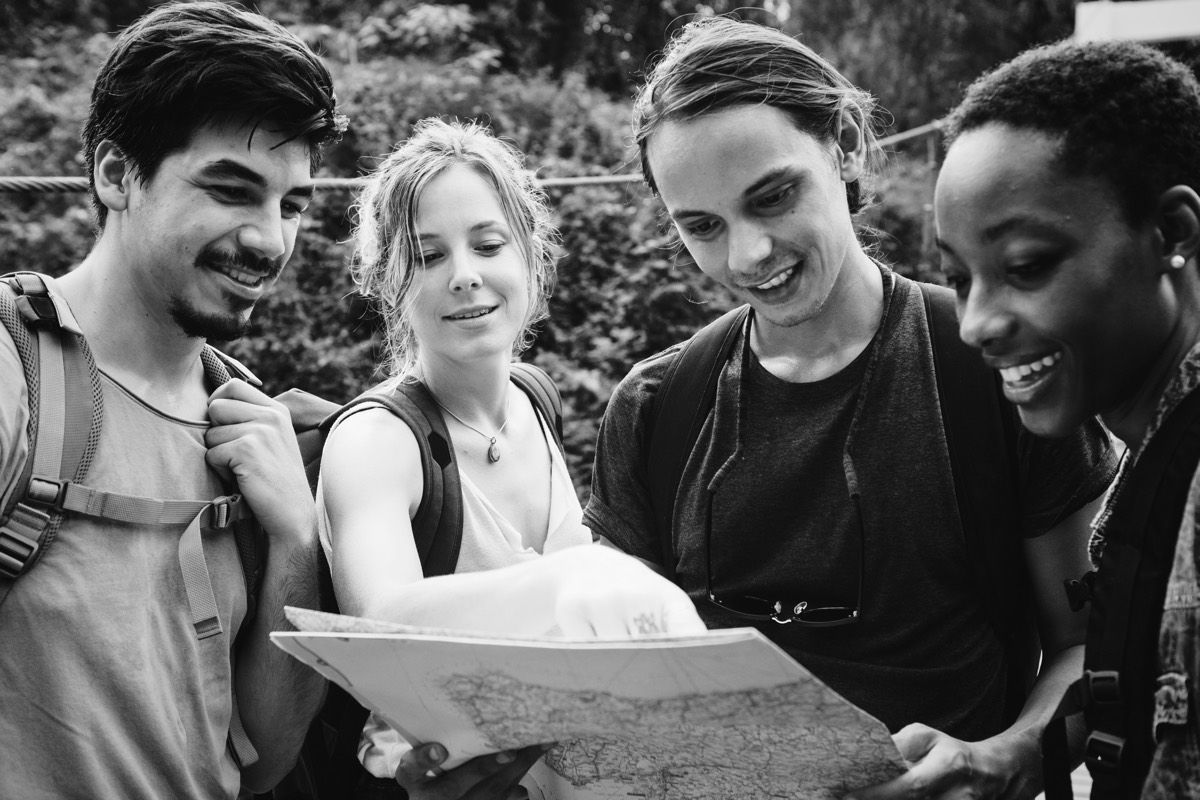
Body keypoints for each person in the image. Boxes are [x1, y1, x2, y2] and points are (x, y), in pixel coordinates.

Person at [580, 17, 1120, 800]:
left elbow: (1090, 642)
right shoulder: (657, 407)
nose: (748, 255)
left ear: (846, 148)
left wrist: (1003, 758)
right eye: (701, 226)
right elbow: (613, 673)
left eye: (772, 197)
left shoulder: (993, 371)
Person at [0, 2, 342, 798]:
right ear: (117, 174)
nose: (270, 240)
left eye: (291, 205)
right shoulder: (15, 375)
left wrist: (294, 537)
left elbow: (261, 760)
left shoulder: (249, 424)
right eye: (232, 189)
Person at [317, 118, 705, 799]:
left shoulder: (533, 397)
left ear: (529, 254)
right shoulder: (378, 442)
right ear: (389, 282)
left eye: (488, 244)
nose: (465, 276)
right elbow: (387, 638)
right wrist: (587, 585)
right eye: (428, 256)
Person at [934, 40, 1200, 798]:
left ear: (1172, 233)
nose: (976, 323)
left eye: (1024, 266)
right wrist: (1009, 757)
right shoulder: (1152, 455)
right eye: (960, 279)